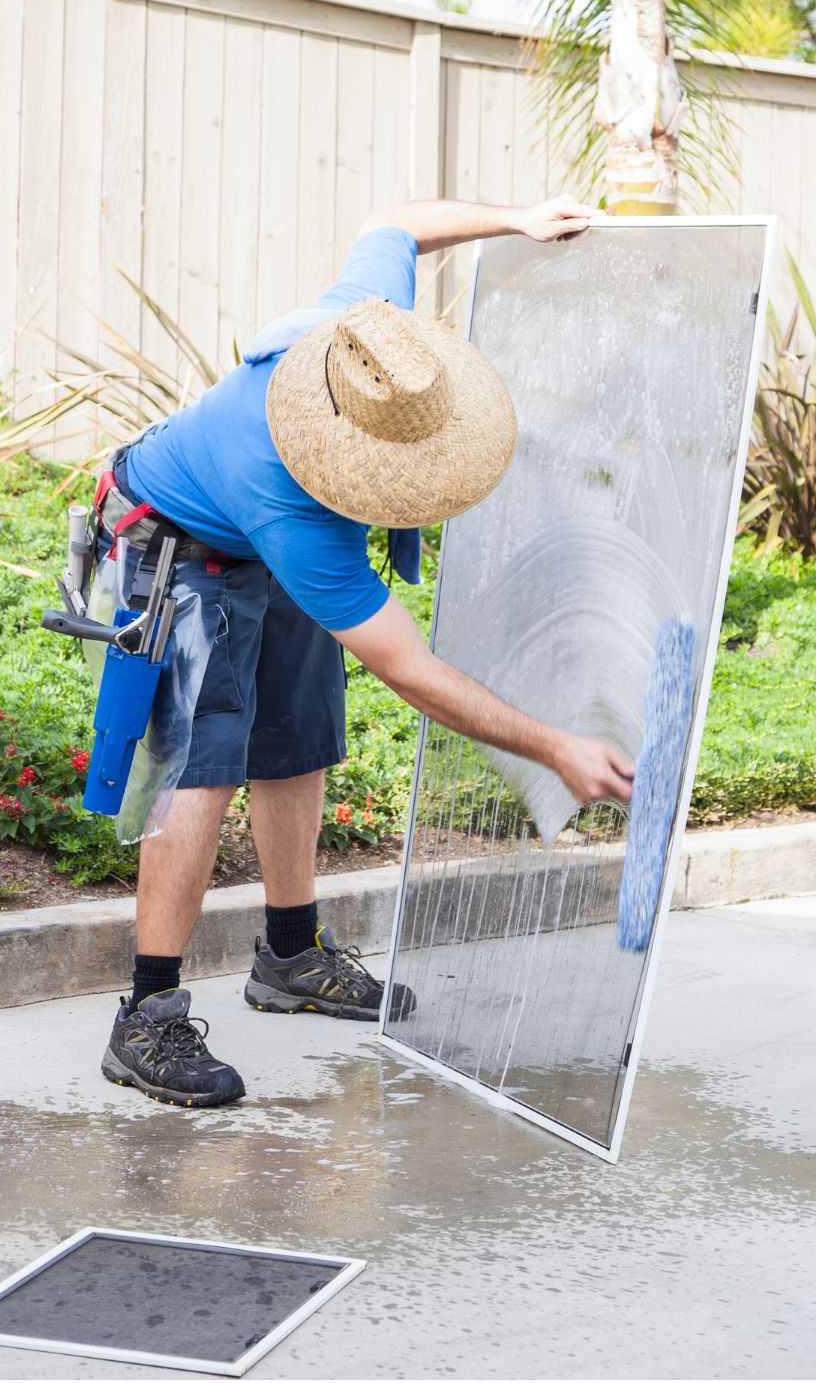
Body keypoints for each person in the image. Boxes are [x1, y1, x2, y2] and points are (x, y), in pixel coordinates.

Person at [94, 195, 635, 1108]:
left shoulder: (366, 340)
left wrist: (518, 218)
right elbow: (412, 669)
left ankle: (291, 956)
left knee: (300, 734)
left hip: (258, 538)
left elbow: (398, 226)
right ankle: (145, 1014)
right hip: (181, 548)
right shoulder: (295, 506)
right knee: (203, 762)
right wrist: (555, 747)